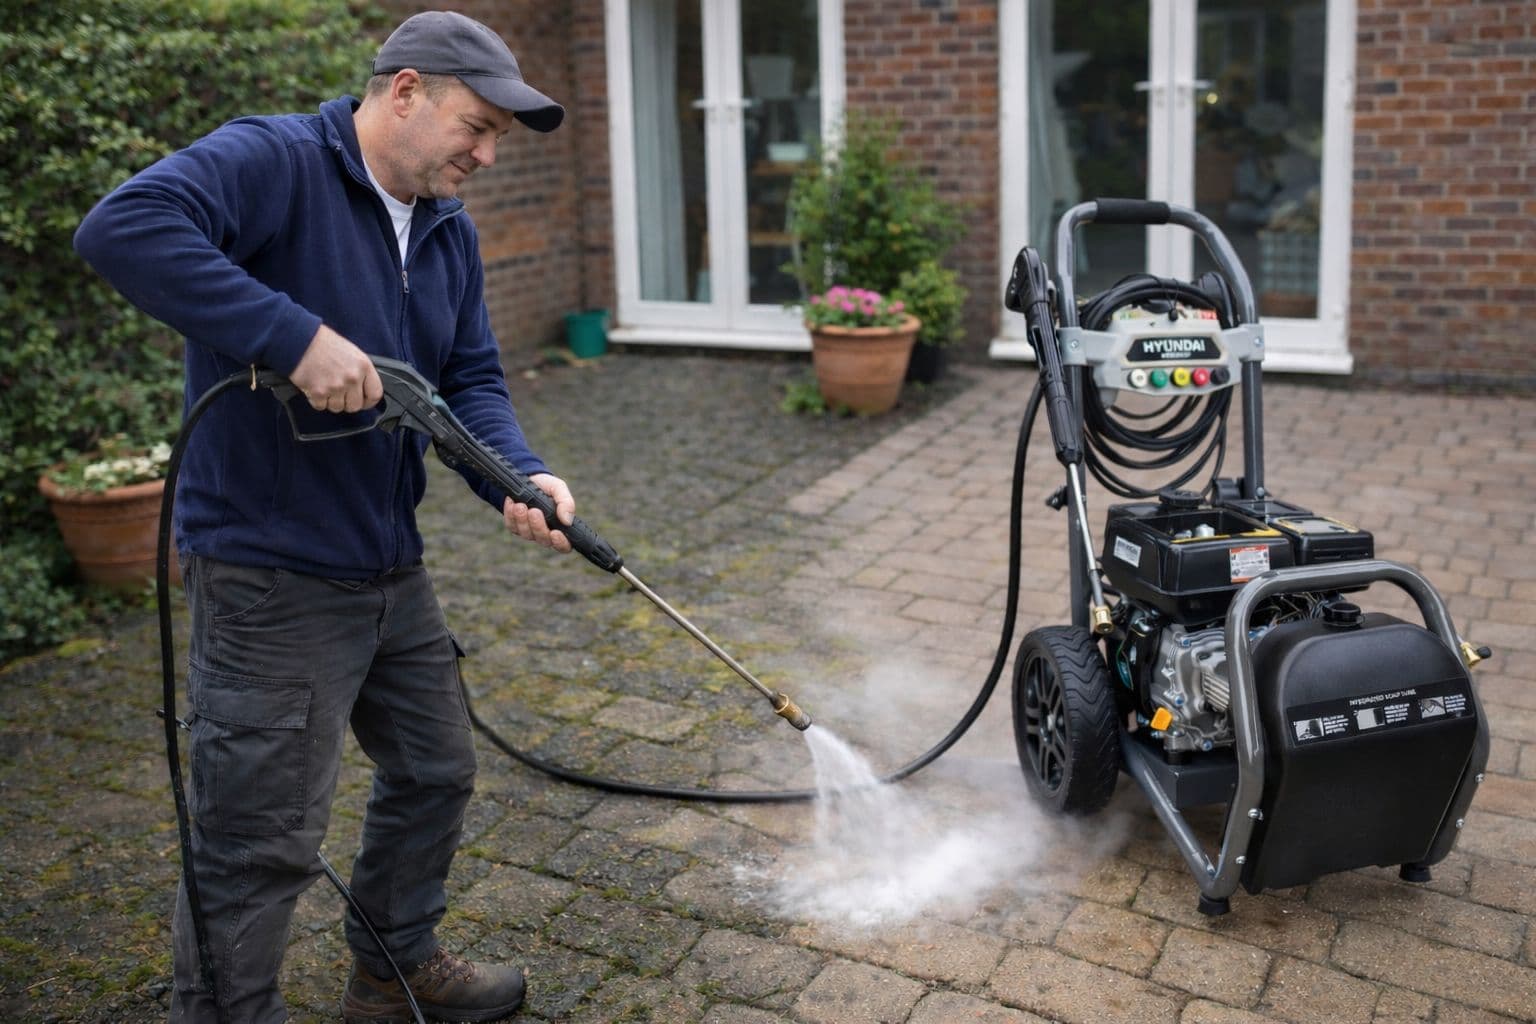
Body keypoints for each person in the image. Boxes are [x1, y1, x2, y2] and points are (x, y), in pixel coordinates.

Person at [75, 11, 572, 1023]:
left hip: (388, 560)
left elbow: (466, 378)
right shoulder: (275, 162)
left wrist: (518, 474)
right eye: (474, 127)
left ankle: (391, 971)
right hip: (268, 571)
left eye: (494, 140)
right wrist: (292, 336)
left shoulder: (447, 228)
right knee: (258, 838)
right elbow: (121, 229)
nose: (483, 154)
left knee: (437, 768)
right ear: (405, 92)